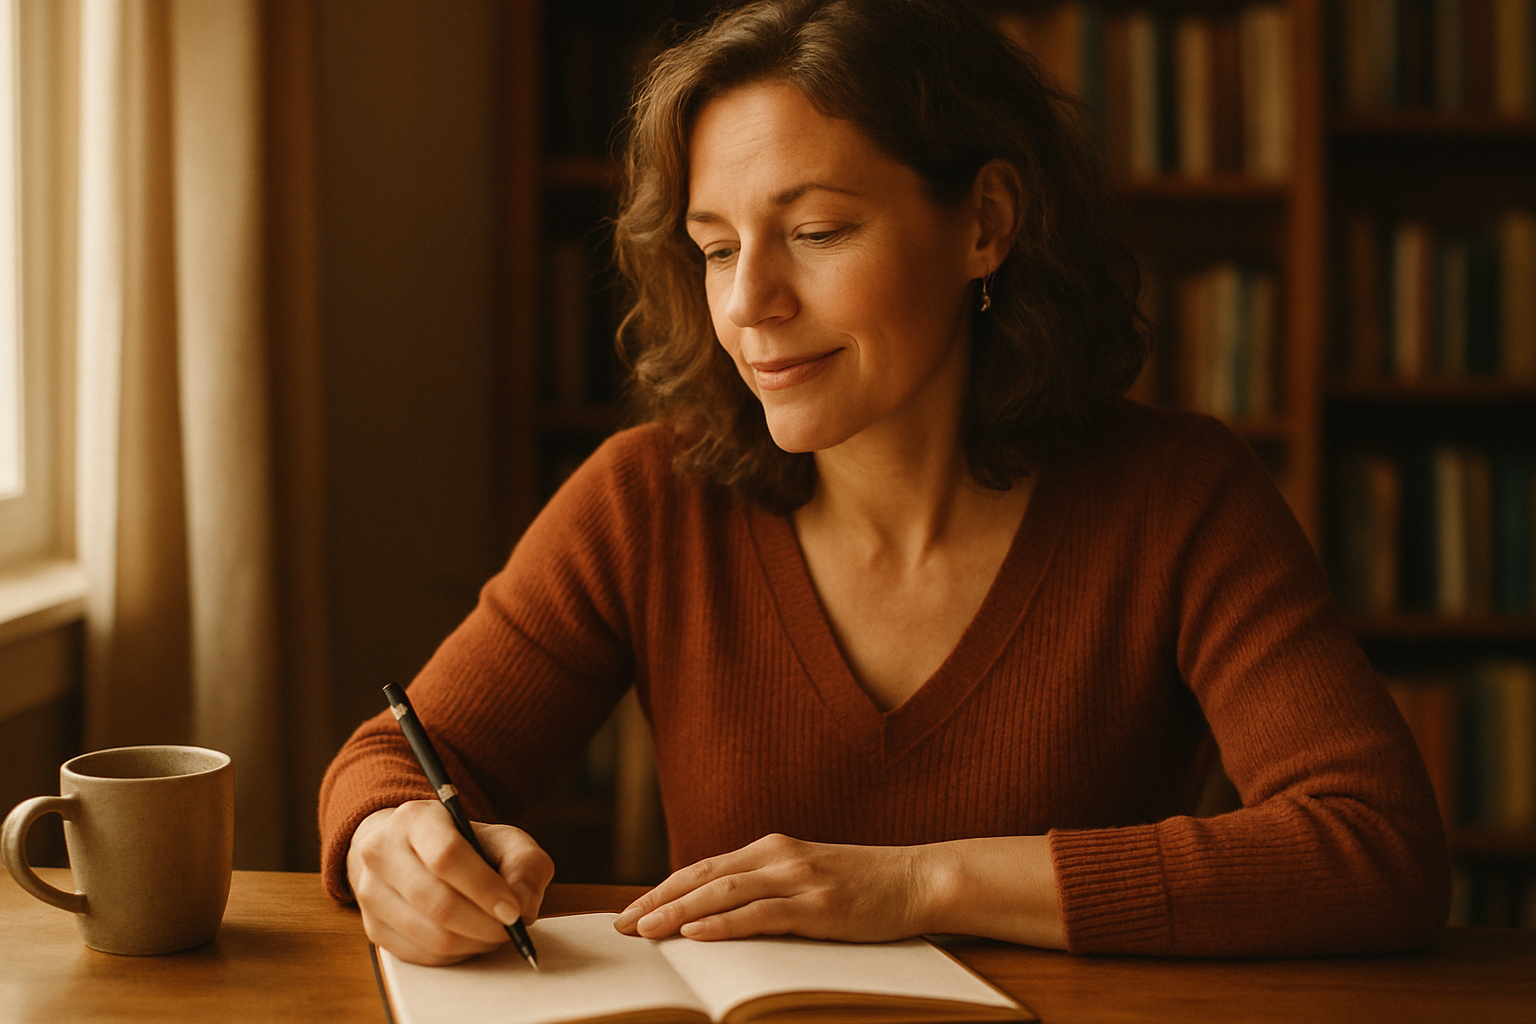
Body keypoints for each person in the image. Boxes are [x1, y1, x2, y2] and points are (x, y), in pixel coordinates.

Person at [319, 0, 1449, 966]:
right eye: (716, 247)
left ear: (985, 225)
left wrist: (916, 887)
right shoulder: (648, 496)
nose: (750, 302)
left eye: (815, 230)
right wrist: (390, 844)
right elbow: (394, 758)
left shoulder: (1179, 498)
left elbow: (1373, 846)